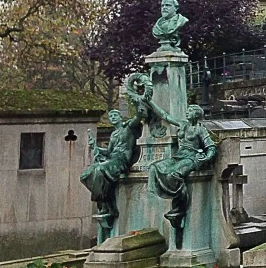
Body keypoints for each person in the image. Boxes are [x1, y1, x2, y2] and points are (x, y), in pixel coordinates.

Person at [145, 102, 218, 242]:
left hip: (191, 157)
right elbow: (165, 115)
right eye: (187, 110)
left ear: (196, 114)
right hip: (178, 156)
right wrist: (150, 102)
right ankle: (156, 194)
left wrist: (206, 157)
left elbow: (211, 147)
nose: (187, 112)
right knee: (154, 167)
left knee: (175, 175)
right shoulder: (182, 124)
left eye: (190, 110)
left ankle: (179, 205)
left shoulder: (200, 129)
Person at [80, 99, 147, 242]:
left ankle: (107, 205)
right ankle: (106, 202)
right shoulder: (113, 135)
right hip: (112, 159)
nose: (113, 118)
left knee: (100, 170)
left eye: (115, 115)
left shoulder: (128, 127)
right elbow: (108, 152)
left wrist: (139, 108)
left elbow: (137, 118)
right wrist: (95, 148)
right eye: (111, 117)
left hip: (122, 160)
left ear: (120, 117)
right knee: (87, 174)